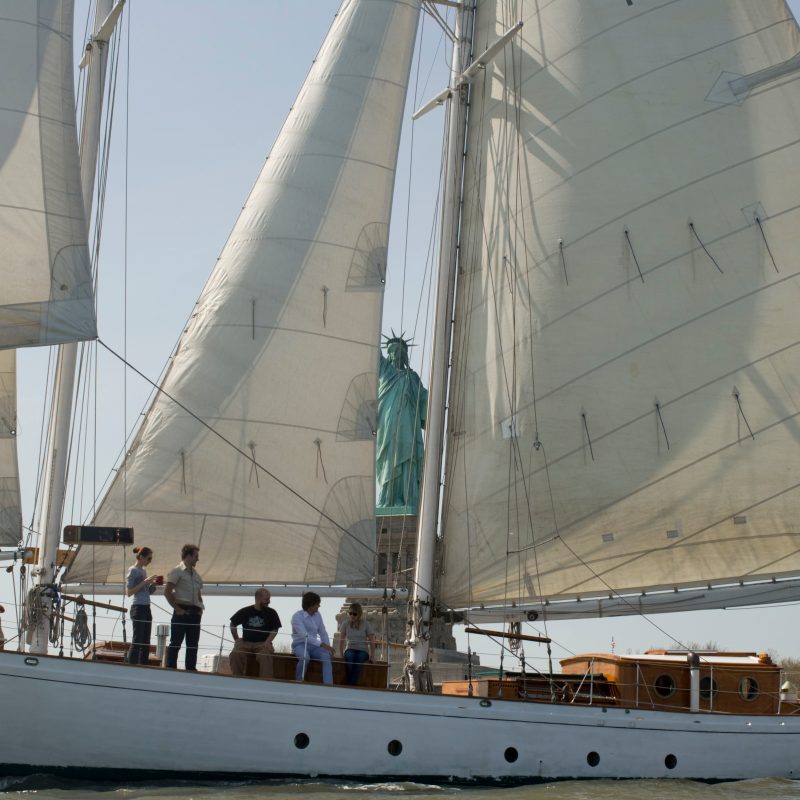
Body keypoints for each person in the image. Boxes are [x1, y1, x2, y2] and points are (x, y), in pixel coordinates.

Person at [376, 335, 427, 511]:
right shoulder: (385, 371)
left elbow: (425, 399)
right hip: (388, 425)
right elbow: (372, 352)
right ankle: (388, 499)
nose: (396, 354)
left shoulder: (412, 377)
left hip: (408, 425)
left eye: (399, 351)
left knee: (409, 459)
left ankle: (407, 498)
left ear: (405, 355)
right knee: (389, 459)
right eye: (392, 350)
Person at [164, 543, 204, 671]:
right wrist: (177, 609)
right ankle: (171, 668)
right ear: (188, 556)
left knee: (193, 644)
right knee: (176, 642)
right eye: (196, 556)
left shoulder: (196, 574)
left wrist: (200, 609)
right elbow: (167, 591)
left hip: (195, 613)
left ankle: (191, 669)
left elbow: (198, 594)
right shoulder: (177, 571)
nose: (198, 559)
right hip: (182, 610)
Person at [229, 588, 281, 678]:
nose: (269, 602)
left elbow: (275, 629)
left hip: (263, 644)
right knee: (235, 654)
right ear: (258, 599)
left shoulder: (272, 613)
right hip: (245, 642)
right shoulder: (246, 611)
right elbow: (232, 624)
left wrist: (268, 642)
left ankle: (265, 682)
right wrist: (237, 640)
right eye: (267, 599)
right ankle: (236, 679)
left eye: (269, 599)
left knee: (265, 655)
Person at [125, 546, 160, 664]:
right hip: (138, 607)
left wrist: (153, 585)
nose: (150, 561)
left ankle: (143, 664)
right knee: (138, 639)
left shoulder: (143, 571)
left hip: (146, 607)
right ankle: (132, 665)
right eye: (149, 558)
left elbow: (146, 591)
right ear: (141, 557)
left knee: (146, 640)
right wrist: (145, 582)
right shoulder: (133, 570)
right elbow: (129, 592)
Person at [291, 591, 334, 685]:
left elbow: (323, 632)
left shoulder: (318, 615)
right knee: (305, 657)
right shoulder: (297, 617)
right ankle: (298, 681)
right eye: (317, 604)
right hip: (300, 645)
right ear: (311, 604)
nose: (319, 606)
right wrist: (322, 644)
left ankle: (328, 684)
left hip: (314, 646)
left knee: (326, 656)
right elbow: (304, 635)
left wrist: (328, 647)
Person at [338, 602, 375, 686]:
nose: (352, 616)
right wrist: (341, 654)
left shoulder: (366, 624)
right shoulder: (345, 624)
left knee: (359, 659)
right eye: (350, 613)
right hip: (350, 649)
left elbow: (372, 641)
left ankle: (350, 684)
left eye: (354, 614)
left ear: (359, 614)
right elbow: (341, 640)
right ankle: (352, 684)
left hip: (363, 650)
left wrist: (372, 656)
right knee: (350, 657)